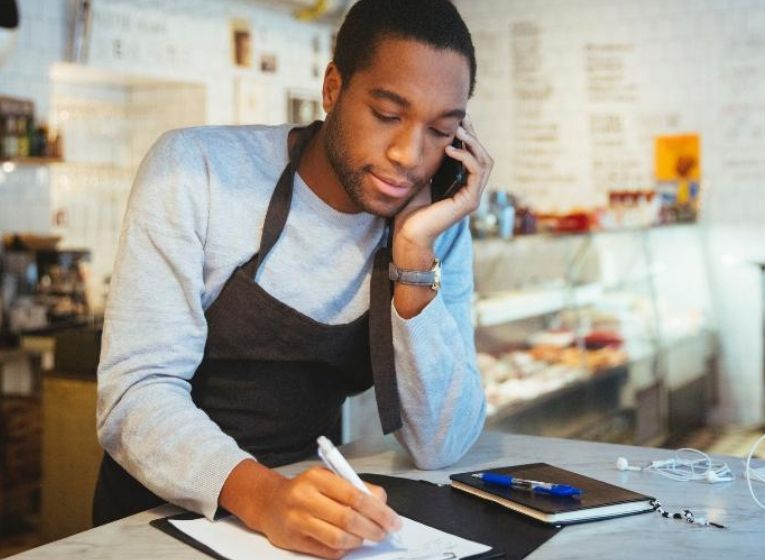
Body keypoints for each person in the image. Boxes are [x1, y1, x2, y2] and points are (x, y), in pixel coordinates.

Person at [93, 0, 493, 557]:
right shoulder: (197, 170)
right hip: (156, 520)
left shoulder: (432, 223)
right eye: (385, 114)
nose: (409, 155)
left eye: (440, 130)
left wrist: (413, 256)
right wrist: (265, 498)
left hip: (303, 522)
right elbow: (135, 394)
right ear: (332, 89)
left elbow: (439, 443)